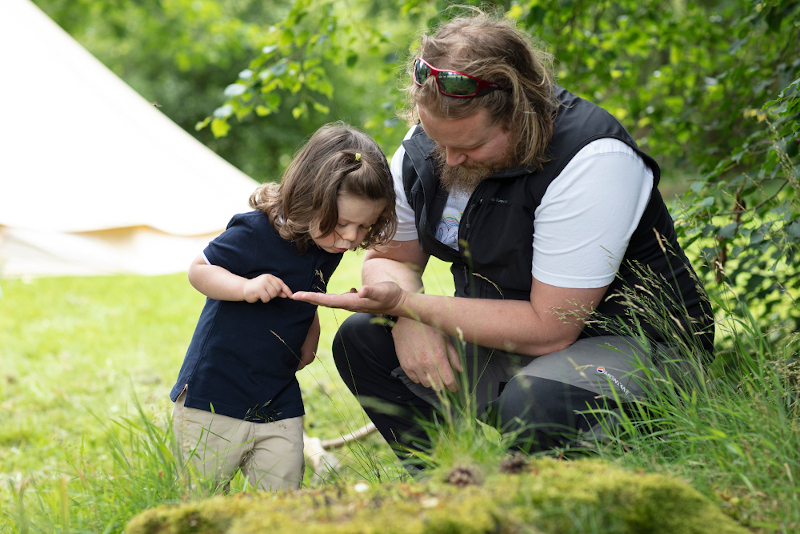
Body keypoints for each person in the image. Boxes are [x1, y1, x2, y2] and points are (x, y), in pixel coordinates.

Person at [293, 13, 714, 464]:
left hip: (637, 344)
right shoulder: (429, 144)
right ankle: (445, 485)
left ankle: (540, 488)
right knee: (364, 341)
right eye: (438, 140)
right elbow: (389, 256)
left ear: (520, 112)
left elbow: (550, 328)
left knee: (534, 401)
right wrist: (409, 319)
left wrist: (406, 305)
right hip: (516, 340)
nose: (450, 159)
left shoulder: (593, 159)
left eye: (470, 148)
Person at [169, 122, 396, 491]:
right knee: (201, 496)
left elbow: (306, 288)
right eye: (342, 223)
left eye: (364, 226)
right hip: (214, 394)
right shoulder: (255, 233)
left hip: (277, 394)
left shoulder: (326, 245)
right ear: (309, 199)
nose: (352, 237)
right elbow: (199, 270)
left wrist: (311, 328)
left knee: (283, 490)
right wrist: (244, 286)